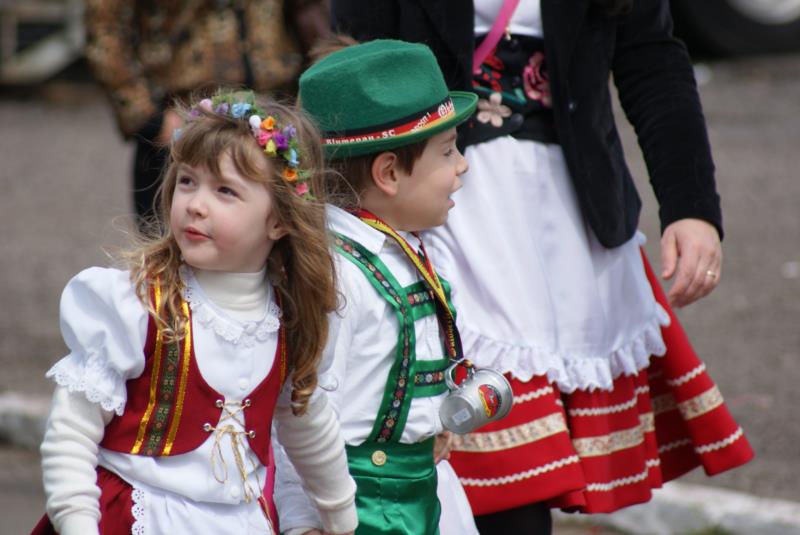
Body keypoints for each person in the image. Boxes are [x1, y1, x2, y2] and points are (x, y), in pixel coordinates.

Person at [330, 0, 755, 533]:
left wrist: (691, 206)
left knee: (530, 486)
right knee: (495, 480)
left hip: (569, 211)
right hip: (439, 202)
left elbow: (651, 56)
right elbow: (355, 57)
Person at [32, 91, 358, 535]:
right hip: (134, 514)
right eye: (187, 181)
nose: (196, 203)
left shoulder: (289, 321)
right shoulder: (136, 302)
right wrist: (78, 524)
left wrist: (342, 520)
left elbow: (309, 429)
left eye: (225, 190)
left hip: (237, 522)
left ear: (279, 221)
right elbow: (71, 433)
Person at [274, 39, 481, 535]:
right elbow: (297, 410)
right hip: (359, 508)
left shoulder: (400, 247)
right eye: (449, 150)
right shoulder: (338, 276)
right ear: (388, 172)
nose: (463, 164)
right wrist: (303, 521)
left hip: (418, 491)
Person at [84, 0, 331, 228]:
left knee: (281, 240)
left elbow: (310, 12)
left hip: (275, 119)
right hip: (184, 118)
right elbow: (105, 26)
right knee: (176, 248)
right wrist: (148, 117)